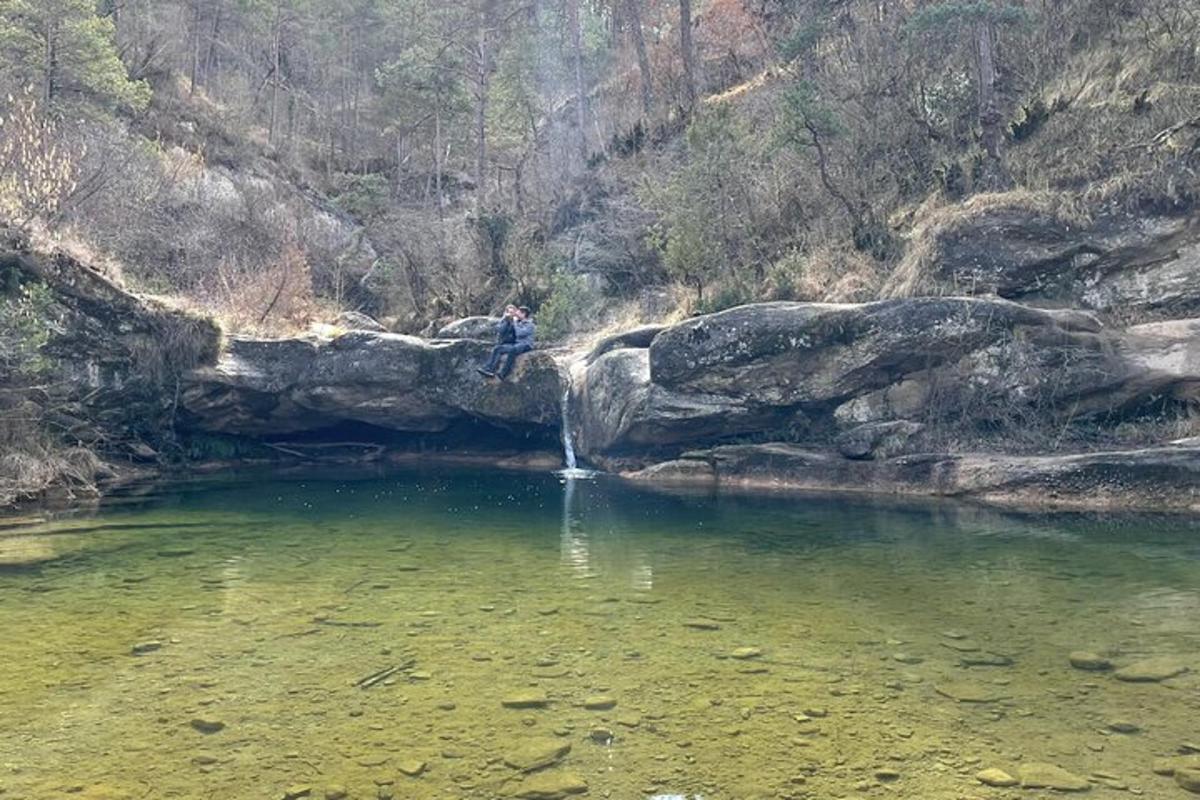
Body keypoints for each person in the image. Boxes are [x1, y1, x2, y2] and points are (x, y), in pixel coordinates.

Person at [477, 306, 535, 380]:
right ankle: (489, 369)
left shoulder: (529, 325)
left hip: (526, 345)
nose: (517, 314)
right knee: (498, 349)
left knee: (512, 350)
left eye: (519, 312)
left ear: (524, 314)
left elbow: (520, 333)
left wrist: (514, 322)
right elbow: (501, 330)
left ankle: (504, 373)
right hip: (517, 344)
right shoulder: (517, 322)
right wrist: (505, 319)